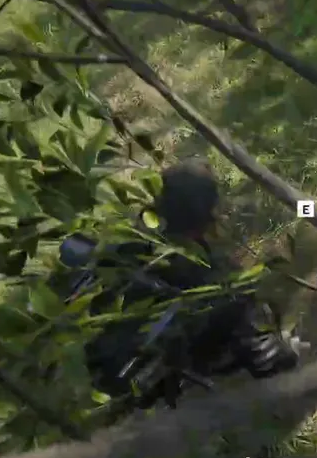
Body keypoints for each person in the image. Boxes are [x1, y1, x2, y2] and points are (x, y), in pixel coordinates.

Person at [51, 160, 299, 408]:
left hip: (93, 371)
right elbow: (262, 357)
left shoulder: (123, 244)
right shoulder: (222, 279)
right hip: (149, 390)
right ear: (208, 215)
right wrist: (287, 350)